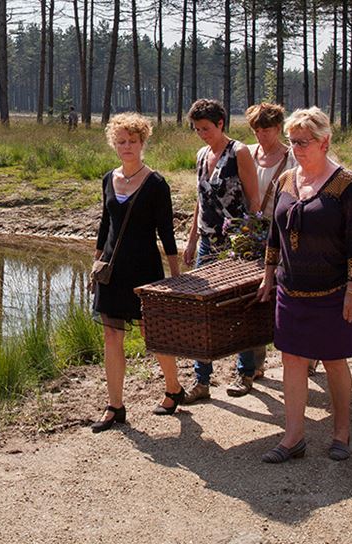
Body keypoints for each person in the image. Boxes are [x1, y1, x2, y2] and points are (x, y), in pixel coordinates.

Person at [256, 107, 352, 463]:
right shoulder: (286, 179)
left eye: (304, 142)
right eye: (293, 141)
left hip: (334, 292)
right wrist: (268, 274)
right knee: (292, 359)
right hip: (291, 290)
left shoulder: (346, 185)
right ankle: (294, 437)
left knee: (335, 361)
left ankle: (341, 431)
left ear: (325, 142)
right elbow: (275, 233)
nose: (297, 148)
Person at [90, 112, 184, 433]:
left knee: (152, 333)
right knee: (111, 335)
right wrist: (95, 262)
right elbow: (105, 225)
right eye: (121, 141)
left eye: (132, 141)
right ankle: (115, 406)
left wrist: (174, 275)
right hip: (112, 271)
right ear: (113, 144)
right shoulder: (108, 179)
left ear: (143, 142)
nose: (126, 146)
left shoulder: (156, 184)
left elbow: (166, 233)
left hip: (145, 270)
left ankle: (173, 388)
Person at [181, 99, 262, 404]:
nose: (202, 134)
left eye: (206, 128)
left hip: (236, 243)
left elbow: (254, 201)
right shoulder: (202, 155)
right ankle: (201, 380)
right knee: (202, 310)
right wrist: (190, 241)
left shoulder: (239, 152)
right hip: (207, 241)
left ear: (220, 124)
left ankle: (245, 373)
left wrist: (249, 244)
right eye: (197, 129)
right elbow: (200, 201)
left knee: (239, 307)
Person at [230, 102, 300, 396]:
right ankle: (252, 366)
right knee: (252, 297)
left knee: (289, 297)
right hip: (251, 236)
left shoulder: (293, 157)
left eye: (267, 129)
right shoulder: (246, 153)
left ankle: (304, 354)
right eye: (256, 129)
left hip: (285, 236)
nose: (261, 135)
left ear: (279, 128)